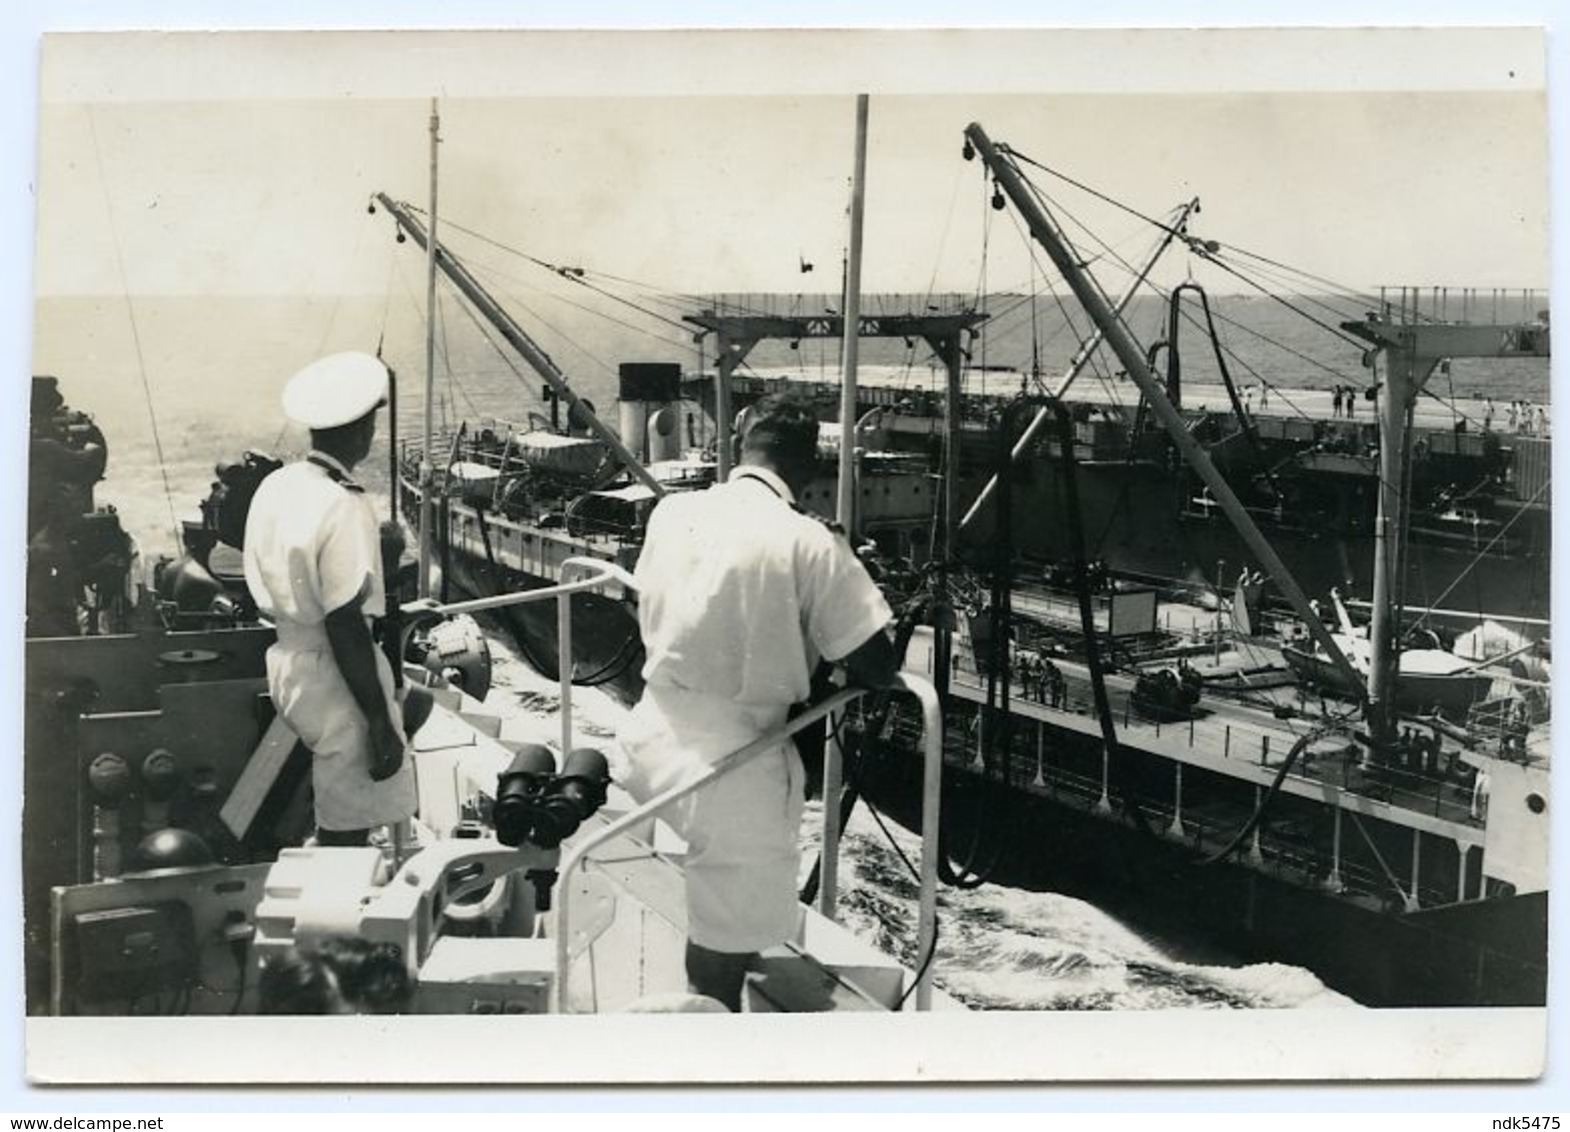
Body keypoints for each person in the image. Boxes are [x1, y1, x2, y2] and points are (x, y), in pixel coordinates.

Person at [614, 393, 897, 1011]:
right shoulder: (810, 542)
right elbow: (877, 663)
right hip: (736, 766)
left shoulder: (673, 511)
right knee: (716, 962)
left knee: (716, 910)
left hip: (652, 739)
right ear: (810, 467)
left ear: (741, 445)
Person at [243, 352, 417, 848]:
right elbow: (345, 622)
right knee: (351, 822)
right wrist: (380, 721)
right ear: (363, 429)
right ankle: (340, 912)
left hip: (288, 661)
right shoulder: (342, 503)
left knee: (328, 798)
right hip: (336, 674)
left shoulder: (277, 485)